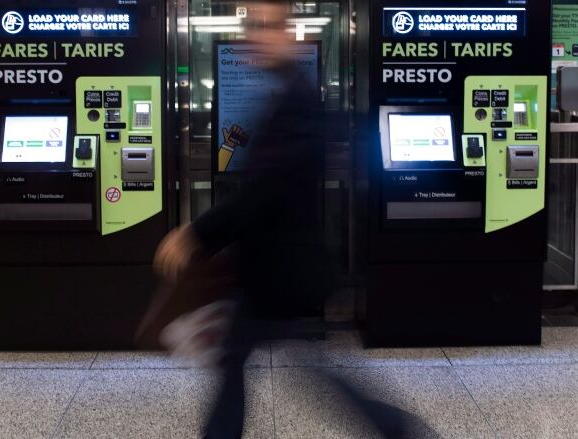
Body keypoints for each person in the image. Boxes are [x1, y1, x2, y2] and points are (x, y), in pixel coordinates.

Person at [153, 2, 436, 438]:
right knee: (244, 364)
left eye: (266, 27)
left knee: (297, 367)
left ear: (290, 33)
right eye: (252, 27)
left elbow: (266, 187)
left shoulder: (297, 99)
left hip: (283, 267)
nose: (255, 37)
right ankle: (393, 426)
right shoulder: (285, 91)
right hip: (269, 264)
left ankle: (393, 425)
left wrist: (197, 232)